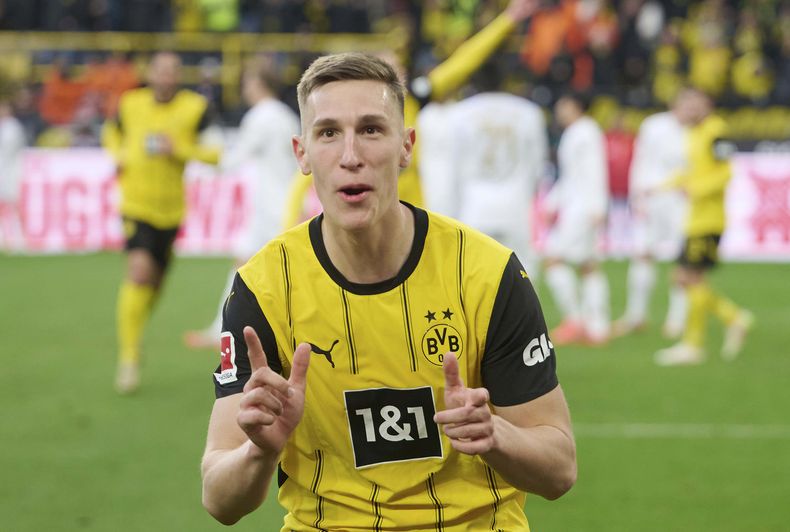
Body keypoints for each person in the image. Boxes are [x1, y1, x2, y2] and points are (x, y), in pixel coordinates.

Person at [201, 52, 576, 530]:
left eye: (371, 130)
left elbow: (559, 471)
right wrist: (259, 451)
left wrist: (496, 434)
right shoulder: (263, 287)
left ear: (406, 146)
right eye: (328, 133)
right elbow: (219, 499)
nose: (350, 156)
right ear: (302, 153)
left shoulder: (487, 273)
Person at [281, 0, 542, 227]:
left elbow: (463, 62)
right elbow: (313, 167)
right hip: (370, 197)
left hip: (411, 203)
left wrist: (508, 19)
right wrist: (289, 224)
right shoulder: (353, 113)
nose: (399, 73)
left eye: (399, 67)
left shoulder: (415, 97)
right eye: (388, 69)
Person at [102, 51, 220, 393]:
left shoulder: (195, 108)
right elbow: (111, 133)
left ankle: (134, 334)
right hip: (135, 205)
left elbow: (215, 153)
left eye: (172, 71)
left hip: (171, 211)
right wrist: (119, 154)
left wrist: (179, 148)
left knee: (153, 285)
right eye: (161, 71)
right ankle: (128, 358)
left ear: (179, 75)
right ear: (150, 73)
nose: (166, 77)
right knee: (139, 272)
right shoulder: (130, 103)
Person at [183, 59, 299, 350]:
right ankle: (222, 331)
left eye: (248, 81)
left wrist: (192, 150)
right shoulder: (286, 116)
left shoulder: (260, 117)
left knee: (274, 274)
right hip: (283, 204)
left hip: (269, 209)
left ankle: (231, 333)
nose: (244, 87)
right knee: (248, 266)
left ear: (258, 83)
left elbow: (231, 160)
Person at [654, 89, 754, 366]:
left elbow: (726, 173)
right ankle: (732, 319)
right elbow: (691, 172)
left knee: (689, 278)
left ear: (706, 105)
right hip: (696, 219)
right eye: (683, 105)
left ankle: (696, 343)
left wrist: (696, 190)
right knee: (685, 278)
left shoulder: (716, 132)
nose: (687, 110)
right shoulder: (694, 134)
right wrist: (661, 187)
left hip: (709, 219)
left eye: (692, 105)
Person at [422, 83, 548, 279]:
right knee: (523, 275)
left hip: (475, 204)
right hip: (515, 204)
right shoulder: (529, 112)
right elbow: (538, 164)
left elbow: (453, 167)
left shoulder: (459, 113)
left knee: (473, 274)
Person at [612, 89, 695, 338]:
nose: (691, 109)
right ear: (675, 103)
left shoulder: (699, 131)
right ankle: (635, 316)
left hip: (681, 202)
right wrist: (636, 196)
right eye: (687, 103)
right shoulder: (654, 126)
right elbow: (640, 161)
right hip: (651, 198)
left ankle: (677, 320)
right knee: (642, 254)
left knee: (683, 260)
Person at [542, 92, 610, 346]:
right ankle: (598, 327)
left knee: (553, 260)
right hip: (580, 207)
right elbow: (571, 175)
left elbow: (594, 170)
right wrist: (553, 202)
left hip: (582, 209)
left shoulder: (585, 132)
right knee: (588, 265)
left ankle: (575, 320)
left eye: (564, 104)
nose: (559, 110)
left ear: (576, 106)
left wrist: (597, 206)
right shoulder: (577, 132)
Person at [0, 95, 26, 252]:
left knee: (14, 205)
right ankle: (6, 237)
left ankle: (19, 237)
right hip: (4, 171)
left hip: (10, 172)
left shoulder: (11, 127)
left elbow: (9, 150)